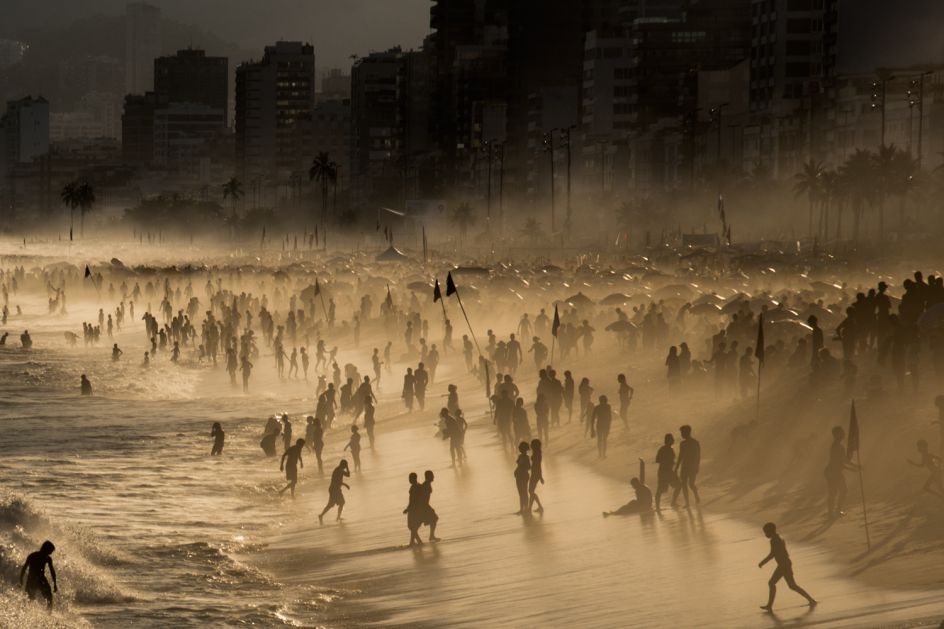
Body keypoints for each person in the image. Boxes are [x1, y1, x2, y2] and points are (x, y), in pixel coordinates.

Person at [758, 522, 817, 611]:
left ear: (770, 531)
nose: (765, 534)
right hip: (785, 564)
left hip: (783, 565)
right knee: (792, 585)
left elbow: (772, 554)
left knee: (772, 583)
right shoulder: (779, 538)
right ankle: (811, 600)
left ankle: (770, 606)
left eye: (766, 532)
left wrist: (762, 562)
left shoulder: (774, 540)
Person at [825, 426, 855, 518]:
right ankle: (833, 512)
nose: (843, 434)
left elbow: (842, 461)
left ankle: (833, 512)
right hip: (833, 472)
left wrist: (854, 467)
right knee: (838, 491)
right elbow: (841, 461)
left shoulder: (837, 445)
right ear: (837, 435)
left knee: (838, 491)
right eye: (841, 433)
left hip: (834, 471)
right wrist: (854, 467)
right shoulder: (837, 446)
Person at [19, 541, 57, 609]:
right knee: (30, 598)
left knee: (48, 597)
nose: (51, 553)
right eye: (50, 551)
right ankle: (29, 614)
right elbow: (24, 567)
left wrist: (55, 583)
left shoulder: (46, 558)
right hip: (35, 579)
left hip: (37, 579)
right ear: (46, 549)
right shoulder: (33, 556)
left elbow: (52, 571)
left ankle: (48, 614)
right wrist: (21, 579)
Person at [672, 424, 701, 507]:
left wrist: (697, 467)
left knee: (691, 484)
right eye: (681, 433)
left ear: (687, 432)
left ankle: (696, 495)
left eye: (682, 433)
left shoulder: (695, 443)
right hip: (684, 467)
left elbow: (698, 456)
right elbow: (680, 456)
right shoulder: (682, 443)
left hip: (692, 467)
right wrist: (677, 467)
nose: (681, 434)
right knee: (684, 484)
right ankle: (687, 503)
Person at [655, 433, 679, 510]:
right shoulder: (663, 449)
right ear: (668, 440)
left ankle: (672, 502)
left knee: (678, 485)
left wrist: (670, 462)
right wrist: (667, 461)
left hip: (667, 471)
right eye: (672, 439)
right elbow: (657, 460)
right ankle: (658, 507)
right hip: (664, 472)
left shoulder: (669, 449)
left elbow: (658, 460)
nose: (673, 440)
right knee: (660, 490)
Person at [418, 470, 441, 542]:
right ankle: (431, 536)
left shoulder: (427, 484)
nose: (433, 477)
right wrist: (429, 507)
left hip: (424, 505)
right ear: (428, 477)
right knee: (434, 518)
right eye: (432, 475)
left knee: (433, 519)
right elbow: (423, 499)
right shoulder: (426, 485)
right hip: (423, 506)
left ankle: (431, 536)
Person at [404, 472, 424, 546]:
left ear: (414, 478)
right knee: (414, 527)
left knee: (411, 526)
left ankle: (418, 541)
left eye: (410, 478)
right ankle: (412, 542)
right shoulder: (419, 485)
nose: (409, 480)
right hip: (418, 509)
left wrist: (407, 509)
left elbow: (412, 500)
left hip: (413, 510)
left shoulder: (413, 487)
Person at [514, 441, 531, 515]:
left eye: (520, 447)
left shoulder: (526, 457)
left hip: (523, 476)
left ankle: (526, 509)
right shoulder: (520, 456)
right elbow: (518, 466)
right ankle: (522, 509)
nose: (519, 448)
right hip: (519, 476)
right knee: (521, 493)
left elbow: (528, 467)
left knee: (524, 492)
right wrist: (517, 471)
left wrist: (521, 469)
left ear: (524, 449)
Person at [528, 439, 544, 513]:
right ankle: (530, 508)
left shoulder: (537, 454)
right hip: (535, 473)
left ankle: (540, 506)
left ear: (534, 446)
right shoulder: (537, 452)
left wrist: (540, 477)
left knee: (531, 491)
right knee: (531, 491)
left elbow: (538, 465)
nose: (530, 445)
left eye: (532, 444)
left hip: (535, 474)